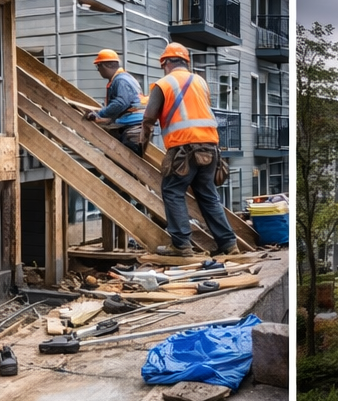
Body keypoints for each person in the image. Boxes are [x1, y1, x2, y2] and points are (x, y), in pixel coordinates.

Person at [138, 43, 236, 257]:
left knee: (173, 191)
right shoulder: (200, 82)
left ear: (166, 63)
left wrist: (143, 140)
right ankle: (228, 243)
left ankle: (181, 245)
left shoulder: (164, 84)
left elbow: (149, 117)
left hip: (184, 149)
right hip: (210, 148)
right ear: (186, 62)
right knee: (208, 195)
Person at [84, 49, 145, 156]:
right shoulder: (122, 78)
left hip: (133, 126)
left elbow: (120, 103)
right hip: (132, 125)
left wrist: (100, 114)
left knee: (128, 163)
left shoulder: (121, 80)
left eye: (98, 66)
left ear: (105, 66)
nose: (98, 70)